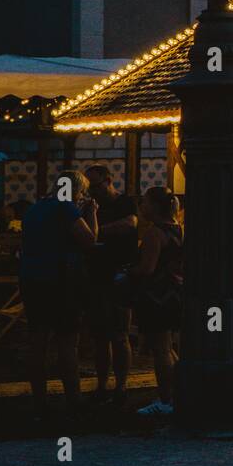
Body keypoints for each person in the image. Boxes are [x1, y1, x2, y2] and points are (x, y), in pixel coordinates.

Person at [18, 170, 97, 421]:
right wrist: (92, 214)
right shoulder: (66, 209)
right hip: (61, 280)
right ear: (76, 190)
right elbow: (89, 240)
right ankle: (73, 399)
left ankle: (39, 400)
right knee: (67, 341)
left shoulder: (35, 208)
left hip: (32, 279)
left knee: (38, 342)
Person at [83, 164, 138, 406]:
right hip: (96, 275)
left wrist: (96, 231)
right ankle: (103, 383)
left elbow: (130, 223)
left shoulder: (124, 203)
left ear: (108, 181)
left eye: (95, 185)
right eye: (89, 186)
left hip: (118, 273)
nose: (92, 190)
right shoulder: (89, 206)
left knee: (119, 333)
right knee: (100, 336)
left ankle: (122, 384)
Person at [130, 187, 183, 417]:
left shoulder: (154, 233)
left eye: (144, 203)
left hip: (156, 296)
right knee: (168, 348)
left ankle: (166, 400)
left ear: (154, 206)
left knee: (161, 350)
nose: (141, 207)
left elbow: (147, 268)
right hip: (174, 293)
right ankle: (178, 393)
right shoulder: (177, 228)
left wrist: (128, 272)